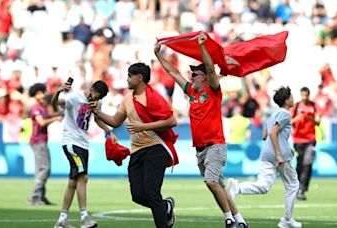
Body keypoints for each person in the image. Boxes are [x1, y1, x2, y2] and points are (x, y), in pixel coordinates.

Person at [155, 32, 248, 228]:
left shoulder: (213, 90)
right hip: (200, 149)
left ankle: (228, 220)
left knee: (211, 182)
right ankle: (240, 221)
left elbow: (212, 72)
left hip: (215, 145)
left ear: (205, 77)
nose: (192, 76)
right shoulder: (191, 92)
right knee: (219, 186)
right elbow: (174, 73)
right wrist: (159, 56)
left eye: (195, 74)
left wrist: (203, 48)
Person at [89, 63, 178, 228]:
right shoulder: (127, 98)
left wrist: (143, 127)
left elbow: (172, 121)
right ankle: (165, 206)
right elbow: (116, 121)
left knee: (152, 192)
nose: (127, 78)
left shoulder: (154, 97)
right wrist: (98, 112)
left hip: (156, 147)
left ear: (140, 78)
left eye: (130, 75)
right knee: (137, 195)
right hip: (137, 150)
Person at [226, 86, 302, 228]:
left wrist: (286, 147)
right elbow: (272, 133)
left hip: (267, 153)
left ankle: (237, 188)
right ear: (286, 101)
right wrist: (280, 154)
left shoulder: (273, 113)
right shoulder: (285, 114)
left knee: (264, 186)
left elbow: (264, 135)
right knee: (293, 185)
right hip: (278, 155)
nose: (293, 99)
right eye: (291, 97)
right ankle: (286, 220)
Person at [51, 79, 117, 228]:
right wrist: (58, 91)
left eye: (99, 99)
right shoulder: (75, 97)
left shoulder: (95, 103)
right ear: (91, 89)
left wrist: (109, 132)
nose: (95, 100)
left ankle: (62, 220)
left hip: (83, 144)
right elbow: (56, 103)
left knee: (73, 182)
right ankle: (84, 217)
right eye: (95, 96)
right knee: (83, 177)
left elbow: (98, 120)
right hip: (71, 142)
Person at [27, 83, 62, 205]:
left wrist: (58, 114)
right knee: (45, 169)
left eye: (42, 92)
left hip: (41, 141)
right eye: (39, 93)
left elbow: (48, 116)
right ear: (35, 95)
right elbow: (41, 122)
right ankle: (34, 196)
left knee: (41, 170)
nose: (42, 95)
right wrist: (56, 119)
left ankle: (40, 196)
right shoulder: (36, 108)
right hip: (38, 141)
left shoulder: (42, 107)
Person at [291, 87, 320, 200]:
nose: (304, 98)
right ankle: (297, 187)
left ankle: (302, 189)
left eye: (306, 95)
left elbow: (318, 121)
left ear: (309, 95)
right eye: (302, 95)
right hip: (298, 139)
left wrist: (310, 119)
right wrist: (297, 119)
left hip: (310, 139)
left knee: (308, 163)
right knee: (300, 163)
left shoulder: (314, 106)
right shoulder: (296, 106)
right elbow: (288, 121)